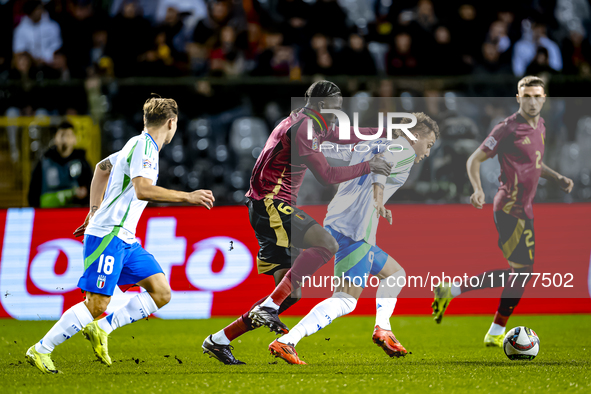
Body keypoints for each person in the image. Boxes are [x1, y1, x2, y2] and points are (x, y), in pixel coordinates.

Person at [202, 80, 392, 364]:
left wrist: (381, 134)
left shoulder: (311, 121)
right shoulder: (304, 126)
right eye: (335, 103)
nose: (339, 108)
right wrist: (370, 165)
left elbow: (344, 135)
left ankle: (219, 340)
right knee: (325, 243)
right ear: (321, 104)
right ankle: (269, 305)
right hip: (270, 202)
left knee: (291, 293)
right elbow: (327, 175)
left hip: (265, 205)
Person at [25, 97, 215, 374]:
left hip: (125, 238)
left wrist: (93, 208)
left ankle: (102, 329)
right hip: (109, 235)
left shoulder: (135, 143)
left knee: (161, 292)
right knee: (97, 303)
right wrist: (188, 196)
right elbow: (143, 190)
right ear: (172, 123)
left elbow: (102, 168)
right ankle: (41, 349)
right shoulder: (145, 148)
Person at [269, 113, 439, 364]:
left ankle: (383, 328)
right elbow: (382, 165)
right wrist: (378, 196)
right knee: (345, 299)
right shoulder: (404, 149)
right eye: (429, 144)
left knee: (395, 274)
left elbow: (335, 151)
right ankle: (287, 340)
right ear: (416, 136)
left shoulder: (373, 143)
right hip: (356, 230)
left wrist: (303, 144)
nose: (427, 151)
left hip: (340, 219)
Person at [431, 76, 574, 347]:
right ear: (518, 98)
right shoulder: (507, 128)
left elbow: (535, 163)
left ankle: (453, 291)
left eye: (537, 96)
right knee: (521, 271)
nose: (532, 101)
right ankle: (494, 331)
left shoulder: (541, 125)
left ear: (544, 99)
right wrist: (477, 189)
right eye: (527, 96)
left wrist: (557, 178)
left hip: (526, 208)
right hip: (509, 206)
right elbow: (475, 158)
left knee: (520, 272)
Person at [28, 121, 93, 208]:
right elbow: (33, 194)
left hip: (74, 214)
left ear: (75, 139)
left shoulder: (82, 163)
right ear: (55, 139)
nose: (65, 139)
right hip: (49, 214)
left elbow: (91, 190)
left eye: (68, 135)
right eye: (62, 135)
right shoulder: (44, 163)